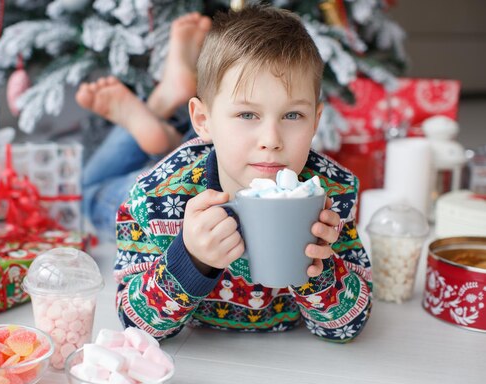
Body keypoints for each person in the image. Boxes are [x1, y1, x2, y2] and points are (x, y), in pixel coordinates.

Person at [113, 5, 373, 343]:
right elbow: (133, 326)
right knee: (96, 191)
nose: (271, 141)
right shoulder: (157, 198)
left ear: (316, 121)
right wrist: (190, 259)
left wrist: (320, 270)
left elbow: (347, 327)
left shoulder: (333, 195)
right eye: (248, 115)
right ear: (203, 121)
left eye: (293, 115)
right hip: (143, 183)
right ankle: (147, 111)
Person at [77, 13, 211, 241]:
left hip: (175, 208)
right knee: (86, 189)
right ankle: (169, 133)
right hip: (199, 175)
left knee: (85, 194)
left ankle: (162, 111)